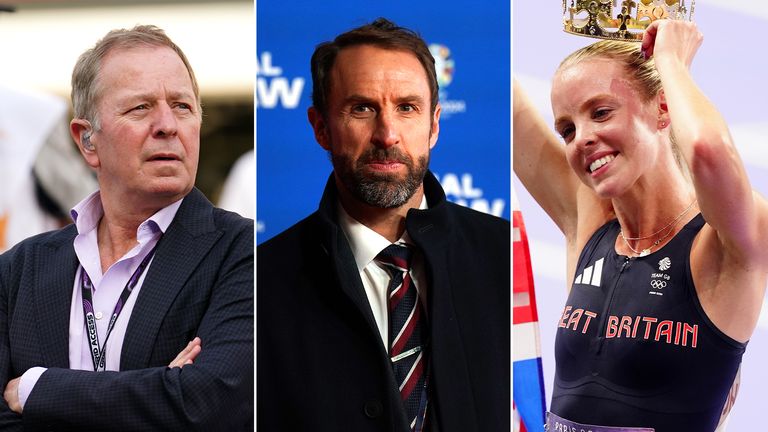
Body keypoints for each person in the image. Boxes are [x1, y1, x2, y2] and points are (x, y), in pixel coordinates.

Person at [514, 20, 768, 432]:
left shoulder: (725, 245)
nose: (582, 139)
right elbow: (509, 103)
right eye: (567, 129)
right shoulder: (589, 223)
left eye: (601, 112)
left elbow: (706, 149)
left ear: (664, 108)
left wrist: (670, 58)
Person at [257, 18, 510, 432]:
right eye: (362, 108)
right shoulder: (263, 282)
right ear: (321, 127)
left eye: (407, 108)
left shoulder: (504, 256)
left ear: (434, 125)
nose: (387, 134)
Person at [0, 25, 253, 431]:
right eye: (141, 108)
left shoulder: (246, 254)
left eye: (183, 107)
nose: (168, 125)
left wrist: (37, 389)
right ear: (87, 141)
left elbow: (208, 403)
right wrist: (161, 390)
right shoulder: (18, 271)